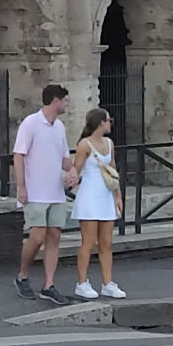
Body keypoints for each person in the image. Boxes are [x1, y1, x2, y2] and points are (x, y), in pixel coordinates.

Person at [13, 81, 74, 304]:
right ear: (55, 101)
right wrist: (21, 186)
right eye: (65, 100)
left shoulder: (59, 127)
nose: (68, 104)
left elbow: (64, 158)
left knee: (54, 235)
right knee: (37, 236)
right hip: (35, 191)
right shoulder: (31, 123)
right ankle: (23, 275)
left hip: (55, 192)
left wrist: (73, 169)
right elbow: (19, 155)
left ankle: (48, 284)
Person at [71, 107, 126, 300]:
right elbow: (76, 169)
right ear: (101, 123)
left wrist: (118, 195)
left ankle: (107, 283)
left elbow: (113, 171)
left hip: (105, 195)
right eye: (108, 120)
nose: (110, 123)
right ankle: (82, 283)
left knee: (107, 243)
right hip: (89, 197)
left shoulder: (109, 143)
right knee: (88, 242)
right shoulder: (84, 144)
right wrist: (70, 178)